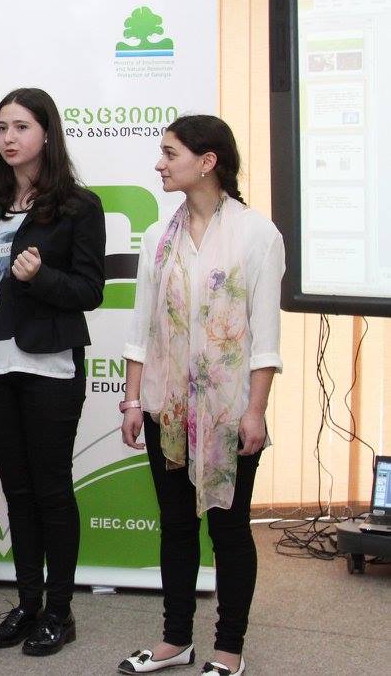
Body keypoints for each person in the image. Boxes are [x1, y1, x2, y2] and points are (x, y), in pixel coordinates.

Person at [117, 115, 284, 676]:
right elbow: (141, 328)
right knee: (177, 526)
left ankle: (229, 650)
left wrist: (255, 411)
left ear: (207, 161)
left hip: (230, 412)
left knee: (229, 531)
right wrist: (133, 400)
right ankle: (175, 641)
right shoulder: (157, 238)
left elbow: (265, 339)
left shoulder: (257, 235)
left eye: (170, 154)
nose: (160, 164)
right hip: (167, 408)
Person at [0, 88, 105, 656]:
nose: (9, 138)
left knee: (51, 489)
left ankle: (60, 613)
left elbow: (89, 291)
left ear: (46, 133)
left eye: (21, 126)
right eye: (2, 128)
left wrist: (39, 276)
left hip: (48, 365)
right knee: (17, 492)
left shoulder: (78, 207)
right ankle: (27, 604)